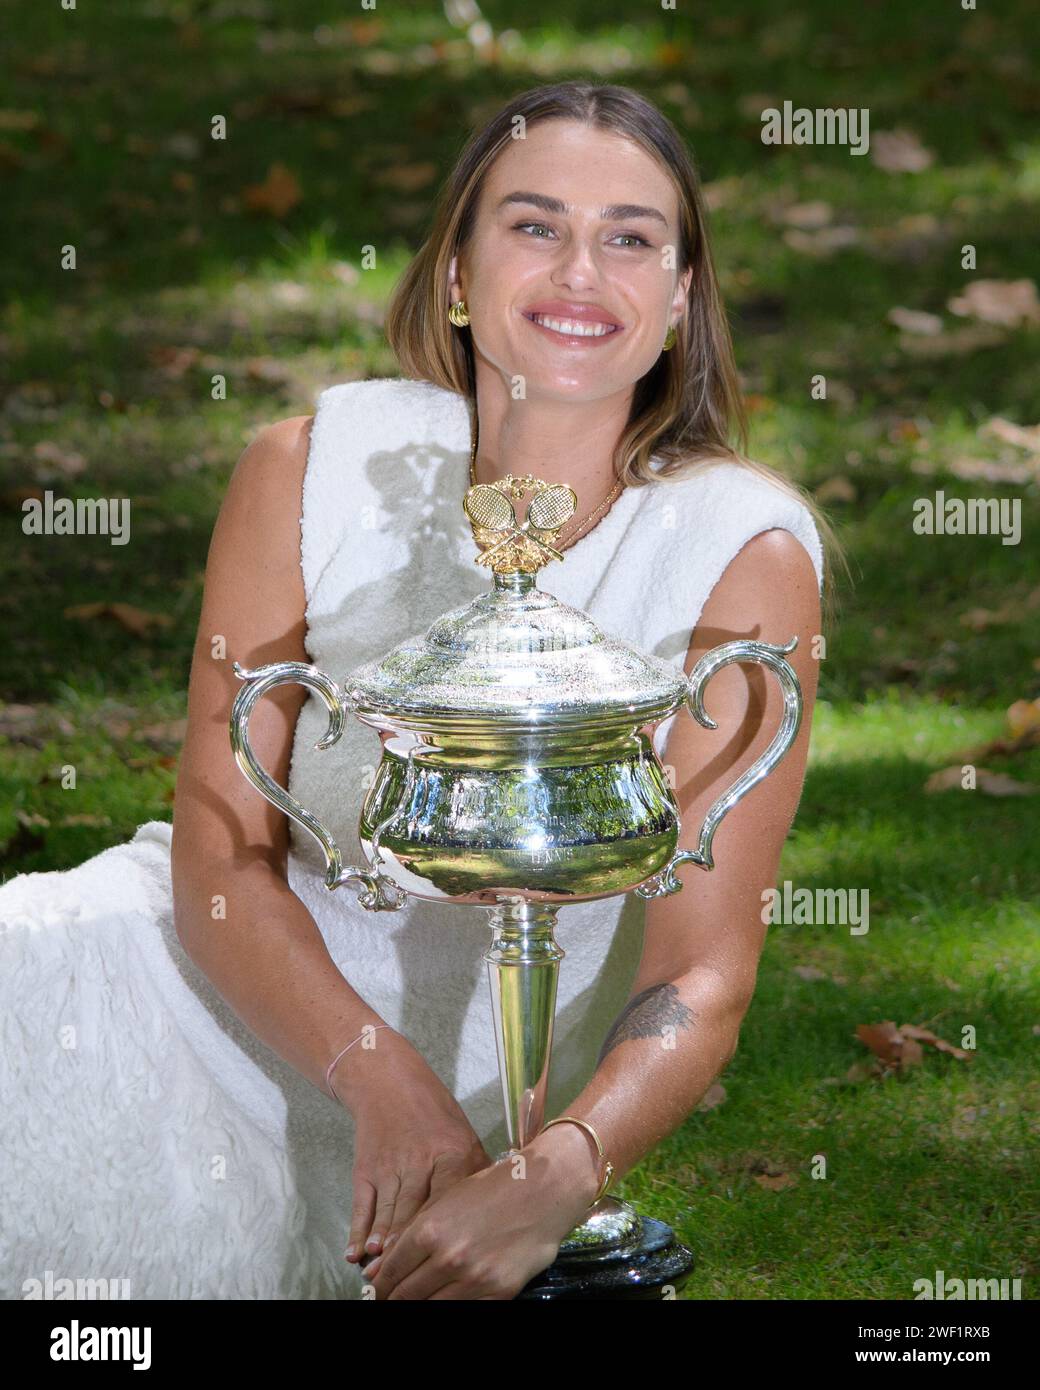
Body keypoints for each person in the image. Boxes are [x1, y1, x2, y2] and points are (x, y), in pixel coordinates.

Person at [0, 81, 841, 1301]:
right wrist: (379, 1080)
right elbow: (215, 844)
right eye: (534, 224)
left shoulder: (736, 551)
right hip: (168, 995)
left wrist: (559, 1171)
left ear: (677, 302)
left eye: (629, 238)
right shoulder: (308, 464)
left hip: (473, 1105)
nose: (578, 272)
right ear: (454, 273)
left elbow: (699, 970)